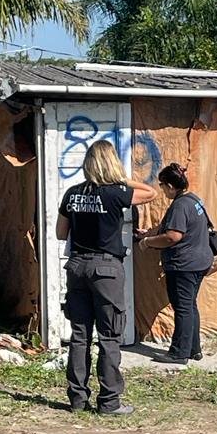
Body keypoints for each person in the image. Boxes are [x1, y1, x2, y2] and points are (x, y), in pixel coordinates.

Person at [56, 140, 156, 414]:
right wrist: (122, 179)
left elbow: (59, 233)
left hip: (77, 267)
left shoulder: (72, 193)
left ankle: (77, 400)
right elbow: (151, 192)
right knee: (109, 335)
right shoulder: (116, 193)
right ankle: (109, 402)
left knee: (80, 335)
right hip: (107, 269)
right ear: (112, 163)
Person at [138, 162, 214, 366]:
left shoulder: (180, 205)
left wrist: (148, 242)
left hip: (184, 265)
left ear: (170, 186)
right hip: (200, 261)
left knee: (182, 308)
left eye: (162, 185)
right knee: (190, 306)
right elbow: (172, 227)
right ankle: (193, 349)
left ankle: (178, 352)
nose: (161, 190)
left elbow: (172, 236)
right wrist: (149, 232)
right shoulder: (193, 200)